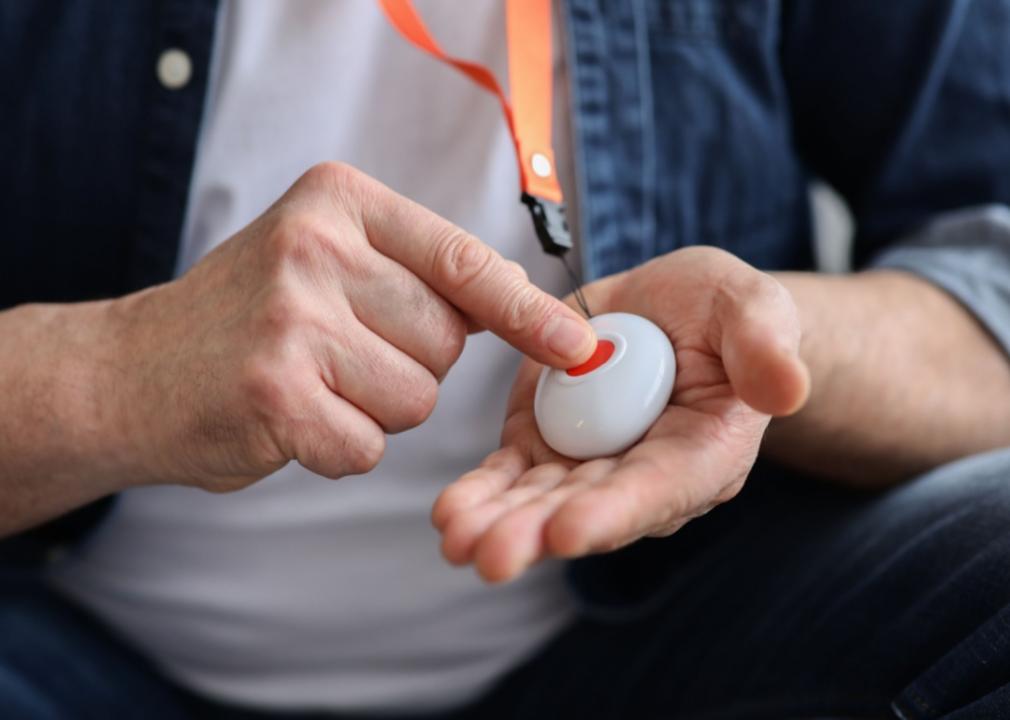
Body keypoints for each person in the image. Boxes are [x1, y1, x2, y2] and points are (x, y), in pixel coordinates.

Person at [3, 1, 1010, 718]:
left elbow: (989, 276)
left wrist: (770, 340)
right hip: (71, 653)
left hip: (663, 635)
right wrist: (112, 375)